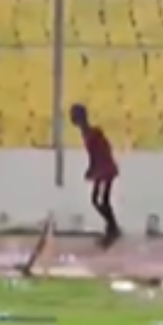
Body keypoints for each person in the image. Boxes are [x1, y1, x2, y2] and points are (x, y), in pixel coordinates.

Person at [70, 104, 120, 246]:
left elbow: (100, 151)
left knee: (100, 200)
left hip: (105, 169)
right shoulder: (88, 133)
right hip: (101, 169)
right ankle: (112, 227)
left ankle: (113, 228)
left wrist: (93, 168)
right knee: (99, 200)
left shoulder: (93, 133)